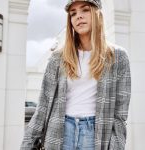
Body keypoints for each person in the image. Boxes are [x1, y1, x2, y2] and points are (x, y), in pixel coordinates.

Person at [20, 0, 131, 150]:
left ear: (97, 13)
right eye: (73, 13)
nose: (78, 16)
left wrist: (117, 146)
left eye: (85, 10)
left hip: (96, 135)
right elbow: (43, 105)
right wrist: (28, 143)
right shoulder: (58, 57)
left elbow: (120, 114)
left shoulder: (118, 56)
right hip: (60, 132)